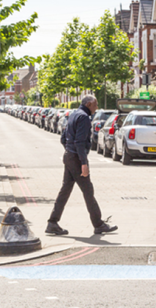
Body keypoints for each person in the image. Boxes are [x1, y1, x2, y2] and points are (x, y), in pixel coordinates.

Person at [46, 95, 117, 236]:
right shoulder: (84, 117)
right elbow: (79, 142)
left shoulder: (73, 114)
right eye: (95, 105)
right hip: (76, 159)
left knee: (65, 190)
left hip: (70, 156)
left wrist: (69, 151)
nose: (96, 108)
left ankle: (52, 223)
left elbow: (63, 138)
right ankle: (98, 224)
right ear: (89, 104)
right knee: (88, 190)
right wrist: (83, 162)